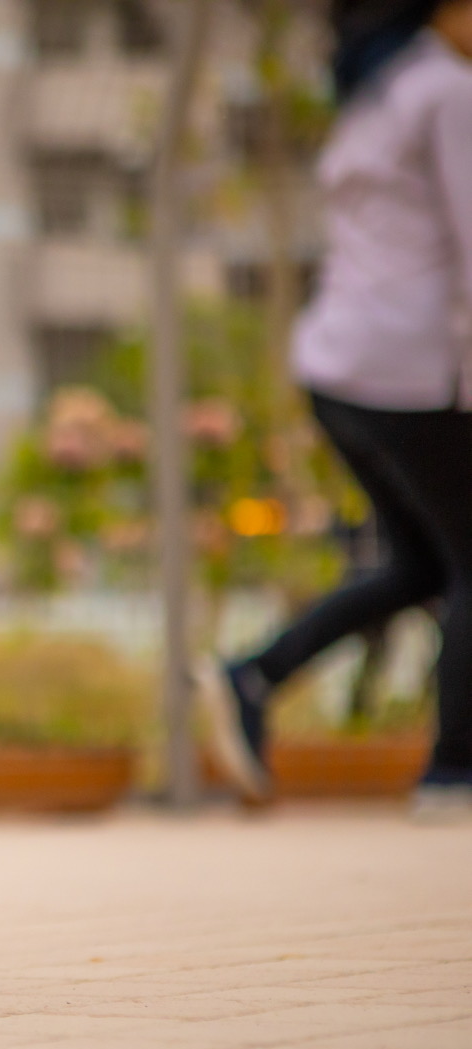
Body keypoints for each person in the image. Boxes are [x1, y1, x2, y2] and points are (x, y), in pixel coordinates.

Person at [199, 0, 472, 819]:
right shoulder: (450, 93)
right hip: (410, 368)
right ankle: (456, 772)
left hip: (334, 362)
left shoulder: (374, 98)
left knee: (425, 562)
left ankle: (256, 674)